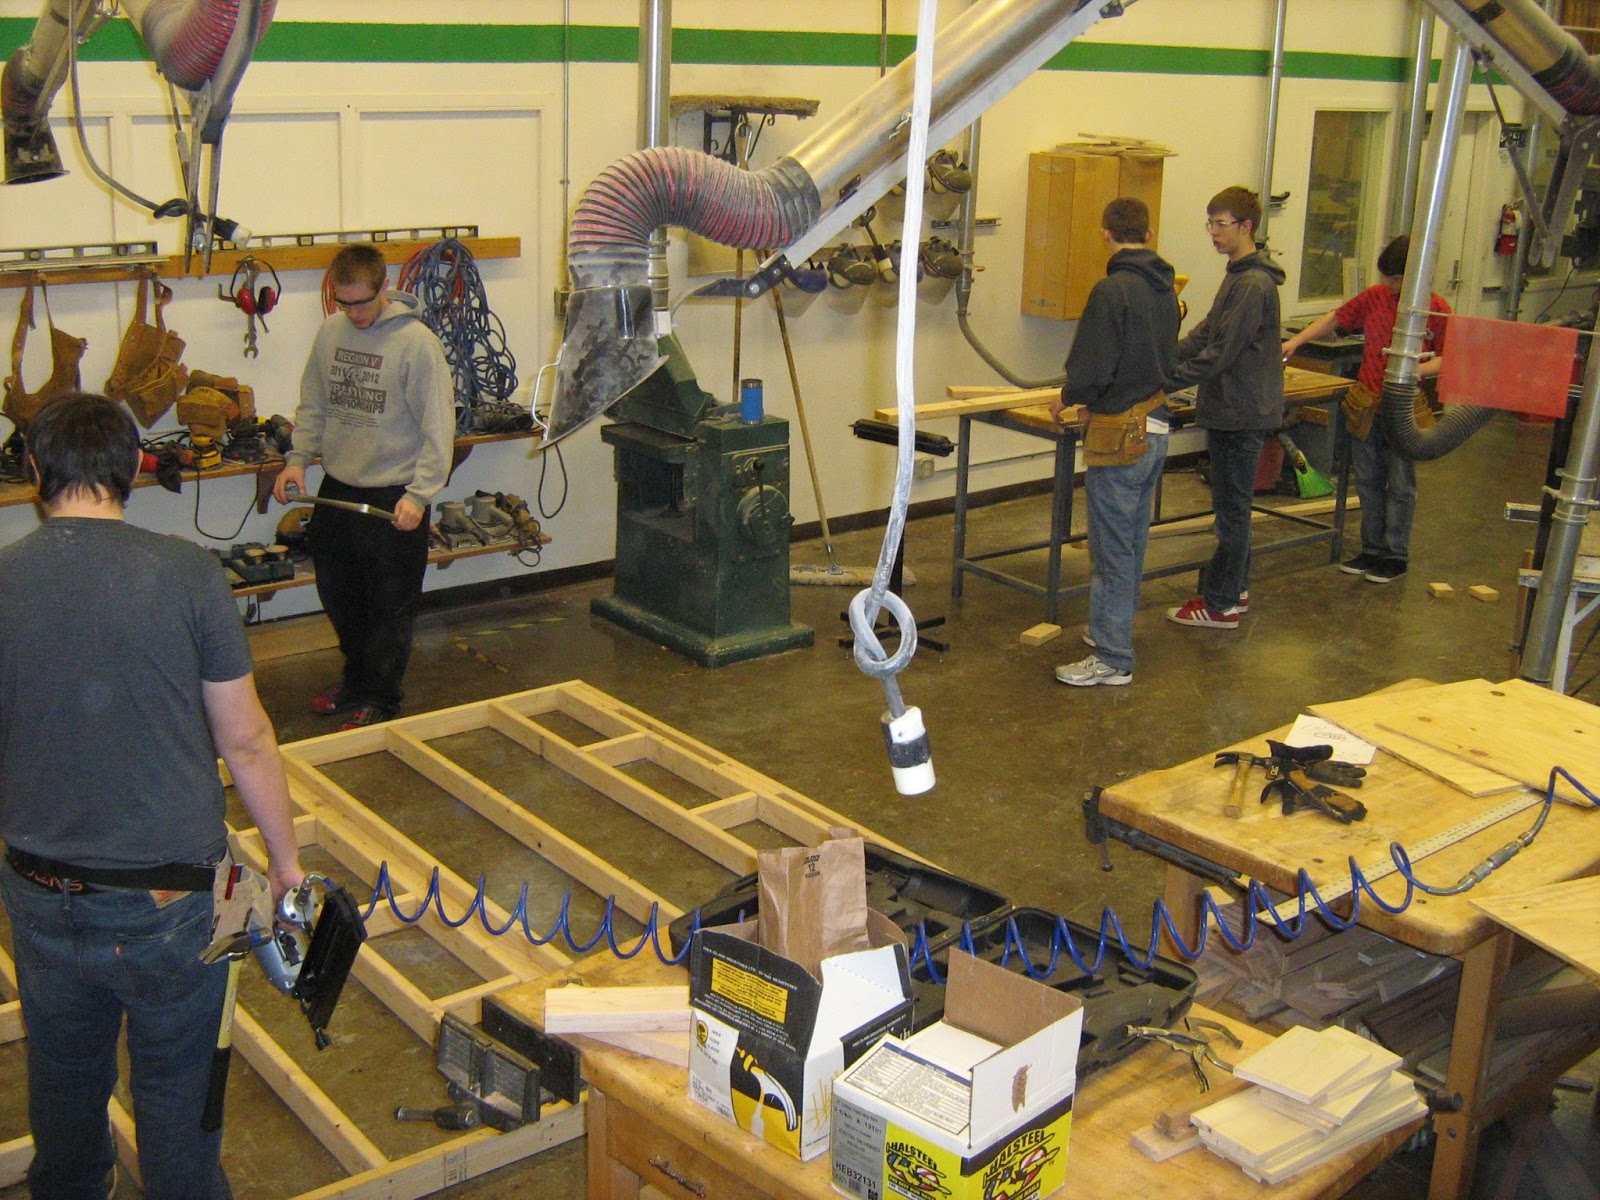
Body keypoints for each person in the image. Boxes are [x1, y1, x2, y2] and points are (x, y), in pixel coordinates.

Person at [0, 392, 304, 1199]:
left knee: (64, 1086)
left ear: (35, 470)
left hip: (40, 889)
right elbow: (246, 739)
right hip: (173, 901)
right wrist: (285, 866)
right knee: (179, 1098)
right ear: (134, 468)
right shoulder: (188, 572)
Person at [272, 243, 455, 729]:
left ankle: (381, 697)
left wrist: (419, 495)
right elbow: (314, 404)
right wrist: (297, 461)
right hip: (339, 486)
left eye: (363, 302)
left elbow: (440, 428)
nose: (353, 313)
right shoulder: (331, 333)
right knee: (340, 596)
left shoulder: (417, 344)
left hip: (393, 494)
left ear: (384, 287)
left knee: (389, 607)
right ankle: (355, 682)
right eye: (343, 302)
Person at [1051, 197, 1180, 687]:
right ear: (1148, 235)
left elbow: (1094, 366)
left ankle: (1112, 657)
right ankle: (1110, 627)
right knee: (1131, 541)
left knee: (1110, 549)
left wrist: (1071, 397)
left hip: (1120, 437)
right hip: (1155, 425)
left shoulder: (1111, 290)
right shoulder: (1166, 288)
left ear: (1105, 233)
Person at [1281, 234, 1448, 584]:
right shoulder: (1375, 297)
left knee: (1400, 484)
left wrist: (1414, 370)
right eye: (1388, 278)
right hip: (1367, 403)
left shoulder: (1436, 309)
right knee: (1368, 480)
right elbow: (1336, 319)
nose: (1392, 285)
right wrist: (1296, 341)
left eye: (1397, 279)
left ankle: (1396, 555)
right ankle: (1371, 549)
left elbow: (1453, 357)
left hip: (1404, 407)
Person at [1166, 186, 1286, 630]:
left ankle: (1220, 606)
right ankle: (1236, 588)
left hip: (1241, 412)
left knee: (1232, 512)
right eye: (1210, 223)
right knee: (1234, 507)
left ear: (1246, 226)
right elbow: (1207, 332)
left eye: (1221, 224)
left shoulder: (1252, 283)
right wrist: (1164, 357)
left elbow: (1222, 352)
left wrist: (1164, 383)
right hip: (1232, 407)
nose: (1214, 232)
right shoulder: (1239, 275)